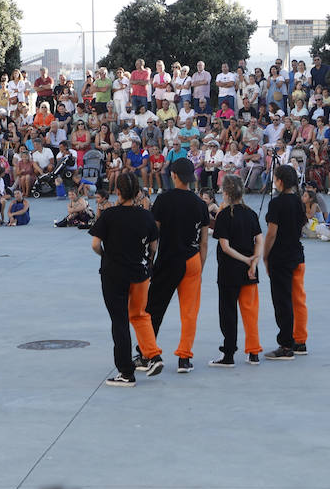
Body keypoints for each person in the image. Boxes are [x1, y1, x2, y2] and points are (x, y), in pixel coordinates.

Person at [91, 171, 163, 387]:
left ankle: (126, 372)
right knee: (140, 315)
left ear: (118, 191)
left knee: (120, 321)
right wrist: (148, 260)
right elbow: (153, 246)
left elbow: (95, 244)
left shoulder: (109, 215)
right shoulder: (146, 216)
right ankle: (153, 355)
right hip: (140, 273)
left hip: (114, 273)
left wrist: (105, 255)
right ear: (137, 192)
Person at [143, 157, 209, 374]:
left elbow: (154, 234)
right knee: (189, 312)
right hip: (192, 260)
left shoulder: (163, 200)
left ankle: (148, 353)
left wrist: (150, 260)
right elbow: (204, 241)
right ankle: (184, 357)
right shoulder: (200, 204)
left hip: (168, 258)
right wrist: (200, 265)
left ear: (173, 175)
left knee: (154, 307)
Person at [208, 173, 263, 367]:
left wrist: (245, 259)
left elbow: (225, 247)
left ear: (225, 192)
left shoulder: (224, 215)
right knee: (250, 313)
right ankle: (254, 352)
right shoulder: (251, 213)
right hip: (249, 272)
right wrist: (253, 263)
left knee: (228, 313)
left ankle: (229, 354)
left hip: (229, 272)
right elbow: (259, 241)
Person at [262, 164, 308, 360]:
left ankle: (285, 345)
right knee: (298, 299)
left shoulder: (277, 204)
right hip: (296, 254)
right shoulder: (298, 202)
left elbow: (271, 233)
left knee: (282, 301)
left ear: (280, 181)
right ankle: (300, 340)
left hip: (280, 257)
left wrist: (265, 255)